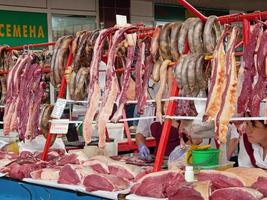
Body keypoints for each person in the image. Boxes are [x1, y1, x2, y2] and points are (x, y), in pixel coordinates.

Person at [238, 104, 267, 169]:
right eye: (247, 123)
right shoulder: (246, 140)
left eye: (253, 125)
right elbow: (245, 169)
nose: (247, 130)